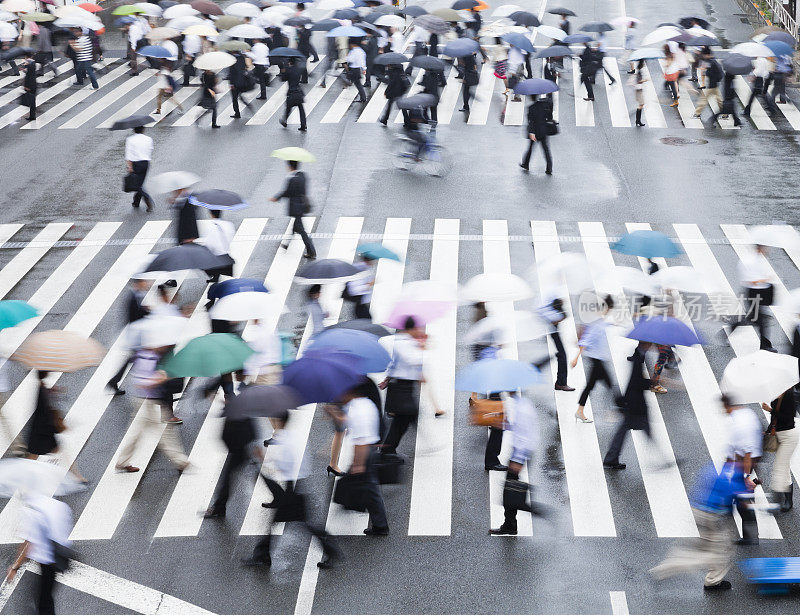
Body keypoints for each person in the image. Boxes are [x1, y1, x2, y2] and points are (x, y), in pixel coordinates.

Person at [242, 410, 341, 566]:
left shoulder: (285, 440)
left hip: (291, 489)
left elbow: (281, 468)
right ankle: (262, 555)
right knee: (300, 523)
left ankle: (262, 556)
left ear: (280, 421)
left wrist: (262, 460)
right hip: (298, 486)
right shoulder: (296, 438)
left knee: (297, 524)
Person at [650, 461, 741, 591]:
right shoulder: (735, 474)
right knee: (722, 551)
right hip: (713, 515)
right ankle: (712, 581)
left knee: (705, 547)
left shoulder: (718, 466)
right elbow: (732, 496)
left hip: (698, 510)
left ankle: (669, 564)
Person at [115, 343, 190, 474]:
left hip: (148, 399)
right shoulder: (148, 358)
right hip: (146, 401)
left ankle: (122, 462)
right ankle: (181, 462)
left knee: (138, 432)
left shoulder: (148, 355)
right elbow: (144, 383)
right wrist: (160, 378)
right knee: (164, 433)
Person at [489, 392, 547, 534]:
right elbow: (519, 430)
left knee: (511, 490)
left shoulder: (521, 409)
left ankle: (534, 514)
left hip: (519, 454)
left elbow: (524, 435)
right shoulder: (521, 403)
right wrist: (505, 425)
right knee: (511, 489)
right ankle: (510, 524)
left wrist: (518, 460)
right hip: (520, 452)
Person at [6, 493, 74, 615]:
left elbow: (27, 545)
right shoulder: (55, 504)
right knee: (45, 595)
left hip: (47, 560)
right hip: (59, 555)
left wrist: (15, 567)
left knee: (43, 601)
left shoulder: (30, 513)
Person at [342, 384, 389, 536]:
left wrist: (358, 464)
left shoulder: (359, 410)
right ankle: (378, 523)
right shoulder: (364, 404)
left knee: (370, 489)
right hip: (368, 450)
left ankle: (380, 525)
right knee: (368, 487)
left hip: (365, 452)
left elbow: (361, 441)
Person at [380, 317, 427, 457]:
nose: (419, 331)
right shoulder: (403, 343)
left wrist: (386, 379)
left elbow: (394, 364)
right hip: (401, 386)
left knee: (402, 419)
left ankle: (388, 448)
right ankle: (387, 448)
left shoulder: (407, 342)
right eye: (417, 328)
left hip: (404, 386)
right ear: (411, 329)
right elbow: (411, 359)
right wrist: (422, 348)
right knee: (408, 415)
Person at [602, 344, 652, 470]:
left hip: (633, 401)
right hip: (635, 403)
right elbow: (636, 382)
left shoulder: (639, 356)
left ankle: (611, 458)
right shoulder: (638, 357)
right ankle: (662, 458)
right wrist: (652, 382)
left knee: (626, 429)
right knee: (644, 429)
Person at [571, 295, 618, 423]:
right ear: (607, 307)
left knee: (591, 385)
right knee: (609, 384)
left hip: (598, 358)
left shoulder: (599, 320)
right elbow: (586, 340)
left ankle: (580, 411)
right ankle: (615, 411)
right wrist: (575, 358)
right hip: (597, 360)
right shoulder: (597, 322)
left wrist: (610, 324)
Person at [723, 394, 762, 545]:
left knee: (743, 501)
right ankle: (750, 535)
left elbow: (747, 453)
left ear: (727, 406)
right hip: (745, 461)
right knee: (739, 496)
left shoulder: (740, 423)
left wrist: (746, 476)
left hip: (745, 463)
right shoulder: (746, 413)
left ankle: (750, 537)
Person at [204, 415, 260, 518]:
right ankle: (219, 507)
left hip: (239, 450)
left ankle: (219, 507)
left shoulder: (234, 412)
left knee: (227, 478)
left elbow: (226, 435)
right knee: (229, 477)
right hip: (241, 448)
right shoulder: (239, 410)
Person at [106, 278, 151, 395]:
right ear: (138, 283)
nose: (146, 283)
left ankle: (114, 381)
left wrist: (145, 310)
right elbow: (134, 316)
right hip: (135, 335)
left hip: (136, 334)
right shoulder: (132, 297)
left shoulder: (136, 295)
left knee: (134, 358)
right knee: (144, 357)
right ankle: (149, 383)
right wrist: (147, 312)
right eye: (144, 282)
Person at [727, 243, 774, 350]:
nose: (767, 250)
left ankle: (732, 327)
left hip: (762, 293)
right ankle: (765, 346)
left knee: (753, 318)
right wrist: (762, 280)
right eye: (765, 247)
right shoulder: (747, 261)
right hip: (752, 293)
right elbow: (748, 281)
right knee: (761, 320)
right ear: (759, 248)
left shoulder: (760, 260)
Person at [762, 389, 798, 512]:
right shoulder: (775, 392)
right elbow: (775, 419)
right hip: (778, 434)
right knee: (784, 467)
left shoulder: (789, 395)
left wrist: (770, 410)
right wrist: (768, 430)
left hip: (789, 436)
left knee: (779, 467)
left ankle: (777, 503)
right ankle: (788, 501)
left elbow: (788, 418)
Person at [271, 159, 315, 259]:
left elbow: (287, 192)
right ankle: (286, 244)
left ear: (290, 167)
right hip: (302, 205)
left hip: (296, 207)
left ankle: (311, 251)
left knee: (301, 230)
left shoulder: (292, 179)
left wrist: (276, 198)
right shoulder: (302, 175)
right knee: (296, 227)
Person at [537, 296, 573, 391]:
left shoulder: (548, 308)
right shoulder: (552, 316)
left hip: (553, 332)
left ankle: (560, 383)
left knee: (561, 356)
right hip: (553, 333)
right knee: (562, 356)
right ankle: (561, 383)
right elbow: (562, 316)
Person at [26, 372, 59, 460]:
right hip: (42, 431)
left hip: (40, 430)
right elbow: (45, 410)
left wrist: (50, 391)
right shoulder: (42, 390)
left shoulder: (41, 387)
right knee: (34, 455)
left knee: (33, 455)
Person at [519, 96, 553, 175]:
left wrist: (531, 132)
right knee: (546, 150)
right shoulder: (544, 106)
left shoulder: (531, 108)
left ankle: (526, 164)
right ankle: (549, 168)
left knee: (530, 149)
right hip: (543, 131)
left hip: (534, 132)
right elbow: (549, 117)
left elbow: (530, 122)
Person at [201, 209, 235, 283]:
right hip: (227, 257)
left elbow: (210, 244)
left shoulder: (210, 226)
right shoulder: (229, 224)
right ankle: (216, 276)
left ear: (211, 214)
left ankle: (214, 275)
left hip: (216, 260)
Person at [125, 126, 155, 212]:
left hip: (136, 164)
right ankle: (136, 201)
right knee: (140, 183)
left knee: (138, 185)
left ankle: (147, 199)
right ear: (143, 129)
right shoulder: (148, 139)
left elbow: (128, 154)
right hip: (145, 163)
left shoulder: (130, 139)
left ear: (134, 129)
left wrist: (130, 166)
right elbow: (150, 149)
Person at [693, 49, 723, 120]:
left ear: (707, 55)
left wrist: (705, 70)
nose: (703, 56)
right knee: (719, 100)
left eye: (704, 54)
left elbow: (708, 73)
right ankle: (725, 113)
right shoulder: (713, 60)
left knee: (703, 99)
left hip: (711, 84)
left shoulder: (711, 62)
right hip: (714, 84)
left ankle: (697, 113)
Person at [279, 57, 307, 132]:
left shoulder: (288, 70)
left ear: (290, 62)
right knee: (301, 109)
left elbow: (283, 79)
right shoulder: (298, 69)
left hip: (291, 92)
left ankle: (284, 120)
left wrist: (283, 71)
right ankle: (303, 124)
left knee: (288, 107)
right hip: (298, 91)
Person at [228, 52, 253, 119]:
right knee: (239, 95)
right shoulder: (242, 57)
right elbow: (245, 67)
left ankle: (237, 113)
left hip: (235, 82)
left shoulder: (232, 60)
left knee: (234, 99)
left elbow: (232, 74)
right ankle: (247, 104)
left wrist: (231, 83)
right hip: (242, 81)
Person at [346, 39, 367, 104]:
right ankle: (363, 97)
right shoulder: (361, 51)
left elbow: (350, 59)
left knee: (358, 84)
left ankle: (363, 98)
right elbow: (363, 61)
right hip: (357, 69)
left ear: (352, 44)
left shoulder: (354, 51)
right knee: (358, 83)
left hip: (354, 69)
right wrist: (364, 69)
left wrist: (347, 56)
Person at [20, 50, 37, 121]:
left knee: (31, 101)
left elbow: (28, 76)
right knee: (32, 101)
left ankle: (32, 116)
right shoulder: (32, 63)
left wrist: (26, 86)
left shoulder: (29, 64)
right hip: (33, 84)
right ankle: (32, 115)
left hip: (30, 85)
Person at [629, 59, 646, 127]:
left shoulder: (639, 71)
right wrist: (644, 80)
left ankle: (638, 121)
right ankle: (638, 121)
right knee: (641, 104)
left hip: (639, 89)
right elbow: (638, 81)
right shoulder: (639, 72)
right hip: (639, 90)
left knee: (641, 104)